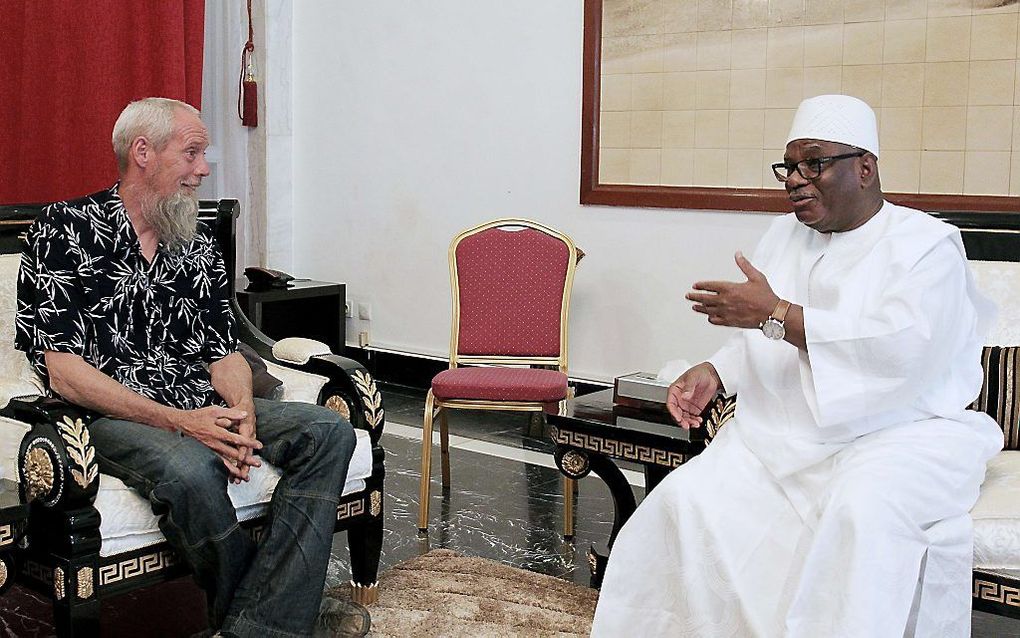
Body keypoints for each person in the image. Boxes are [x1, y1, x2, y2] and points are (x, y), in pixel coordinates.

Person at [590, 94, 1003, 637]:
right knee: (682, 502)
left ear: (865, 167)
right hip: (783, 433)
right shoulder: (784, 235)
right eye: (789, 166)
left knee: (858, 515)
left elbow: (904, 350)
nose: (794, 179)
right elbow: (766, 338)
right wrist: (715, 371)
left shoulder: (925, 246)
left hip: (900, 436)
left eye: (815, 163)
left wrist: (777, 314)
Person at [15, 97, 370, 638]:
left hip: (198, 401)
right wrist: (183, 423)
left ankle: (255, 627)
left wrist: (243, 411)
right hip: (107, 416)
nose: (204, 169)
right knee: (189, 470)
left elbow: (223, 352)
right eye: (193, 153)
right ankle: (277, 621)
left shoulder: (197, 245)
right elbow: (64, 372)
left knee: (328, 432)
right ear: (142, 152)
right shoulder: (62, 231)